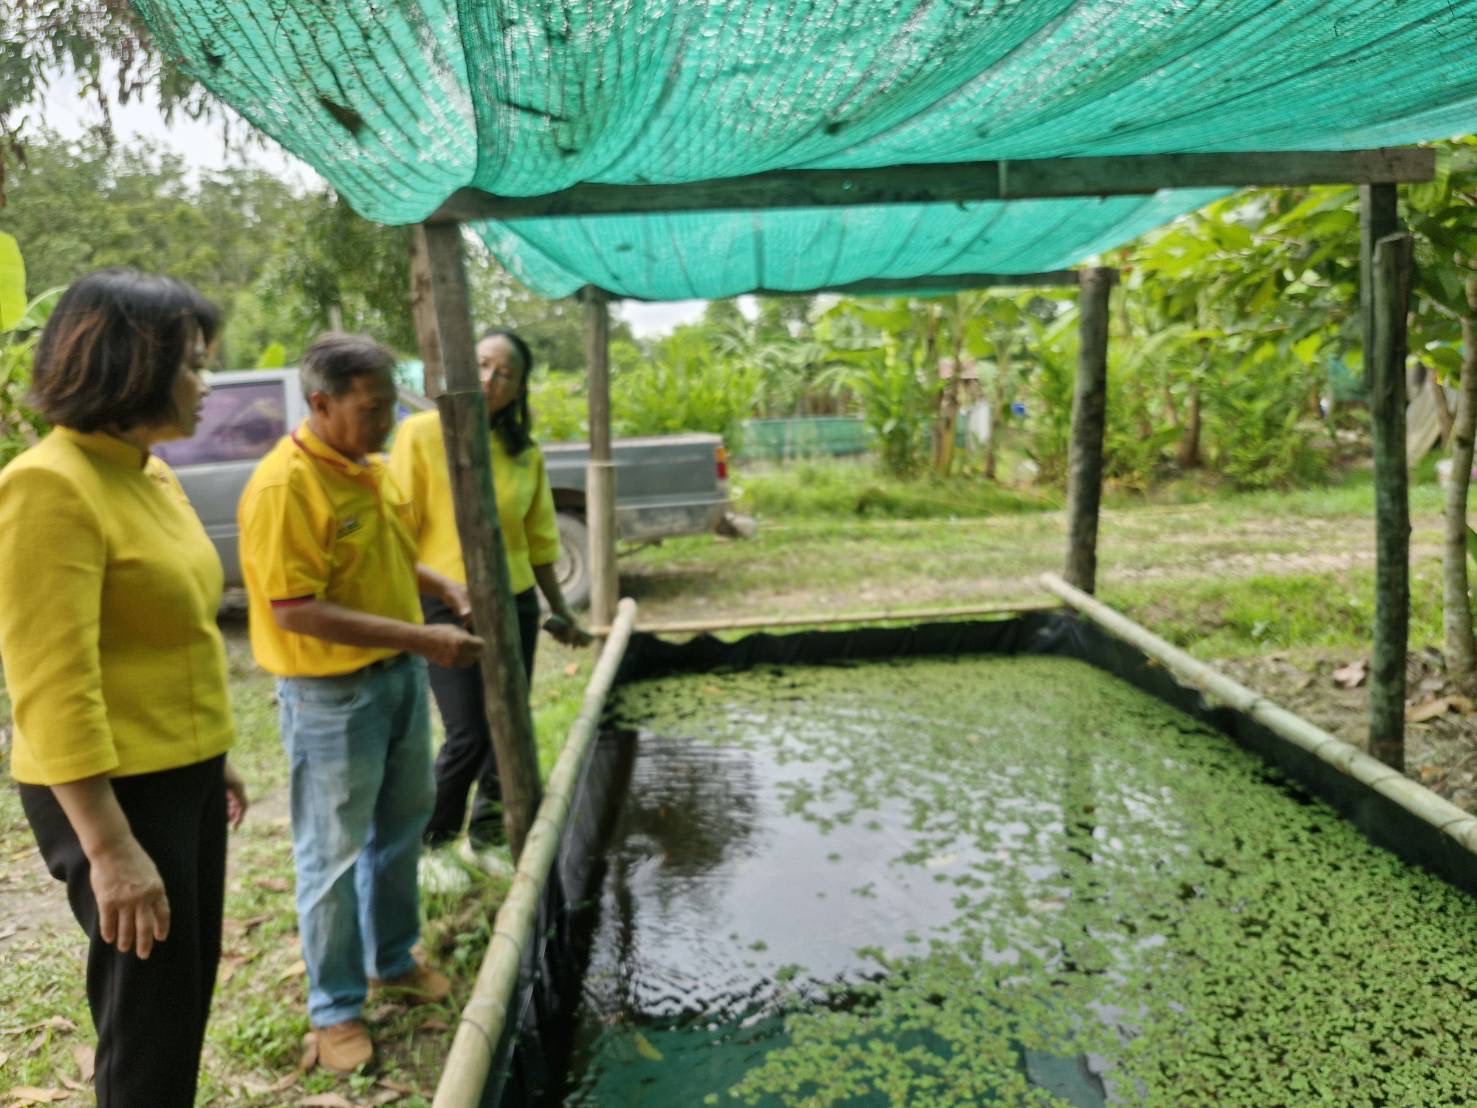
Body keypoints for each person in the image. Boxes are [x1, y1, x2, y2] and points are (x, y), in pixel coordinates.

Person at [0, 268, 249, 1107]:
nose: (205, 384)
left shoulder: (148, 473)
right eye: (191, 363)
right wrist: (109, 850)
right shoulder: (49, 484)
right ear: (128, 365)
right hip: (111, 793)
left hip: (177, 774)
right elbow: (50, 680)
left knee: (180, 1002)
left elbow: (176, 635)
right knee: (146, 1024)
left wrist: (211, 755)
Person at [236, 333, 482, 1073]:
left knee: (401, 825)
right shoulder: (286, 487)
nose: (386, 422)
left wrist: (440, 587)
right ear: (321, 404)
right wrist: (421, 635)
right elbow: (294, 608)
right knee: (334, 855)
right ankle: (335, 1009)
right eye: (372, 409)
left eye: (386, 406)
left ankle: (393, 959)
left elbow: (380, 548)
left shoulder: (364, 468)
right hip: (331, 698)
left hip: (398, 678)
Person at [389, 328, 590, 865]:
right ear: (461, 364)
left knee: (510, 721)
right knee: (469, 732)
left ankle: (488, 839)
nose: (490, 380)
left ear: (520, 387)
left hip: (515, 600)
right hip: (443, 601)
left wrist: (561, 609)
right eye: (481, 364)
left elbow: (540, 539)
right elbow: (397, 529)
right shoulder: (421, 436)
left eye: (506, 374)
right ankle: (433, 848)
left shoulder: (523, 453)